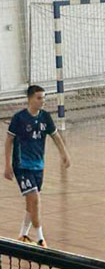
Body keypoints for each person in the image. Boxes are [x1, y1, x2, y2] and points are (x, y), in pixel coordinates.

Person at [4, 85, 71, 247]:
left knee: (31, 203)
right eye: (39, 98)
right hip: (22, 166)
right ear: (30, 99)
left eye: (44, 98)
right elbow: (9, 141)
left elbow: (55, 136)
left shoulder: (45, 117)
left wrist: (64, 153)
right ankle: (41, 239)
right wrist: (7, 165)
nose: (43, 101)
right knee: (35, 199)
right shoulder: (19, 118)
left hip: (38, 166)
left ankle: (23, 235)